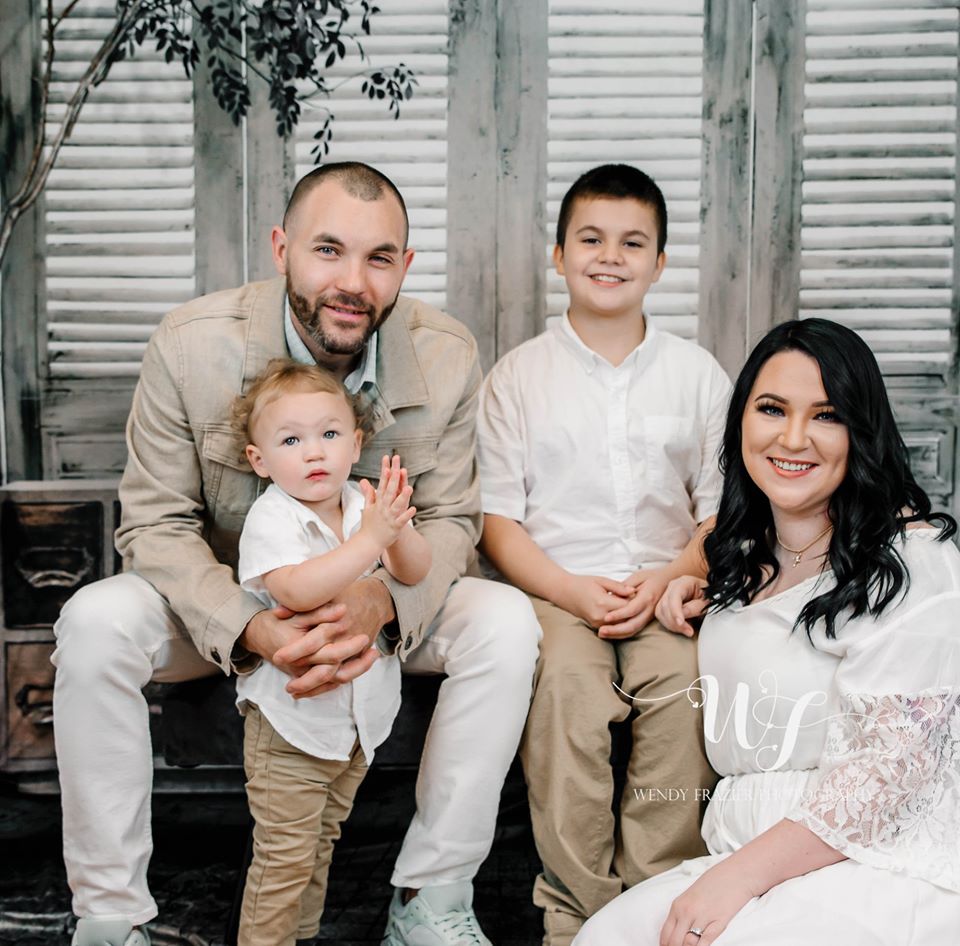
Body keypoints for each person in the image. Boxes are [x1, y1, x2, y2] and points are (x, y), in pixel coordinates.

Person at [51, 162, 542, 946]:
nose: (353, 281)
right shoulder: (189, 345)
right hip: (217, 605)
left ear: (405, 268)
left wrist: (378, 603)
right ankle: (111, 917)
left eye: (380, 258)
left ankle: (432, 898)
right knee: (93, 621)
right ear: (282, 248)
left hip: (368, 608)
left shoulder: (445, 352)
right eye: (328, 251)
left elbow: (451, 520)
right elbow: (155, 525)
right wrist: (254, 627)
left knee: (507, 622)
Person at [574, 317, 960, 946]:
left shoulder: (913, 562)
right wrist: (697, 590)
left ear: (862, 432)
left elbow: (890, 773)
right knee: (605, 938)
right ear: (741, 422)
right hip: (744, 857)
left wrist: (736, 882)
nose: (795, 437)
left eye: (827, 415)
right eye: (772, 409)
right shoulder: (745, 563)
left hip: (878, 860)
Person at [477, 163, 731, 945]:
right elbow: (498, 523)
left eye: (633, 242)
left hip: (671, 589)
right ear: (558, 255)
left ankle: (653, 902)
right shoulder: (518, 377)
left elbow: (722, 513)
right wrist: (573, 593)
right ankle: (576, 911)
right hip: (555, 594)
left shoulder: (697, 374)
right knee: (568, 705)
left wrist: (674, 575)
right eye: (590, 238)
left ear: (660, 262)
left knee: (687, 697)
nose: (609, 256)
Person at [230, 359, 431, 946]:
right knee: (283, 861)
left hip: (354, 726)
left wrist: (396, 527)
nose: (314, 452)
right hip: (290, 728)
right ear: (260, 461)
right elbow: (295, 589)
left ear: (356, 442)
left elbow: (414, 574)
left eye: (330, 434)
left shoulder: (359, 505)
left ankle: (302, 936)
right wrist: (371, 539)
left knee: (320, 848)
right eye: (291, 440)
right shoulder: (274, 515)